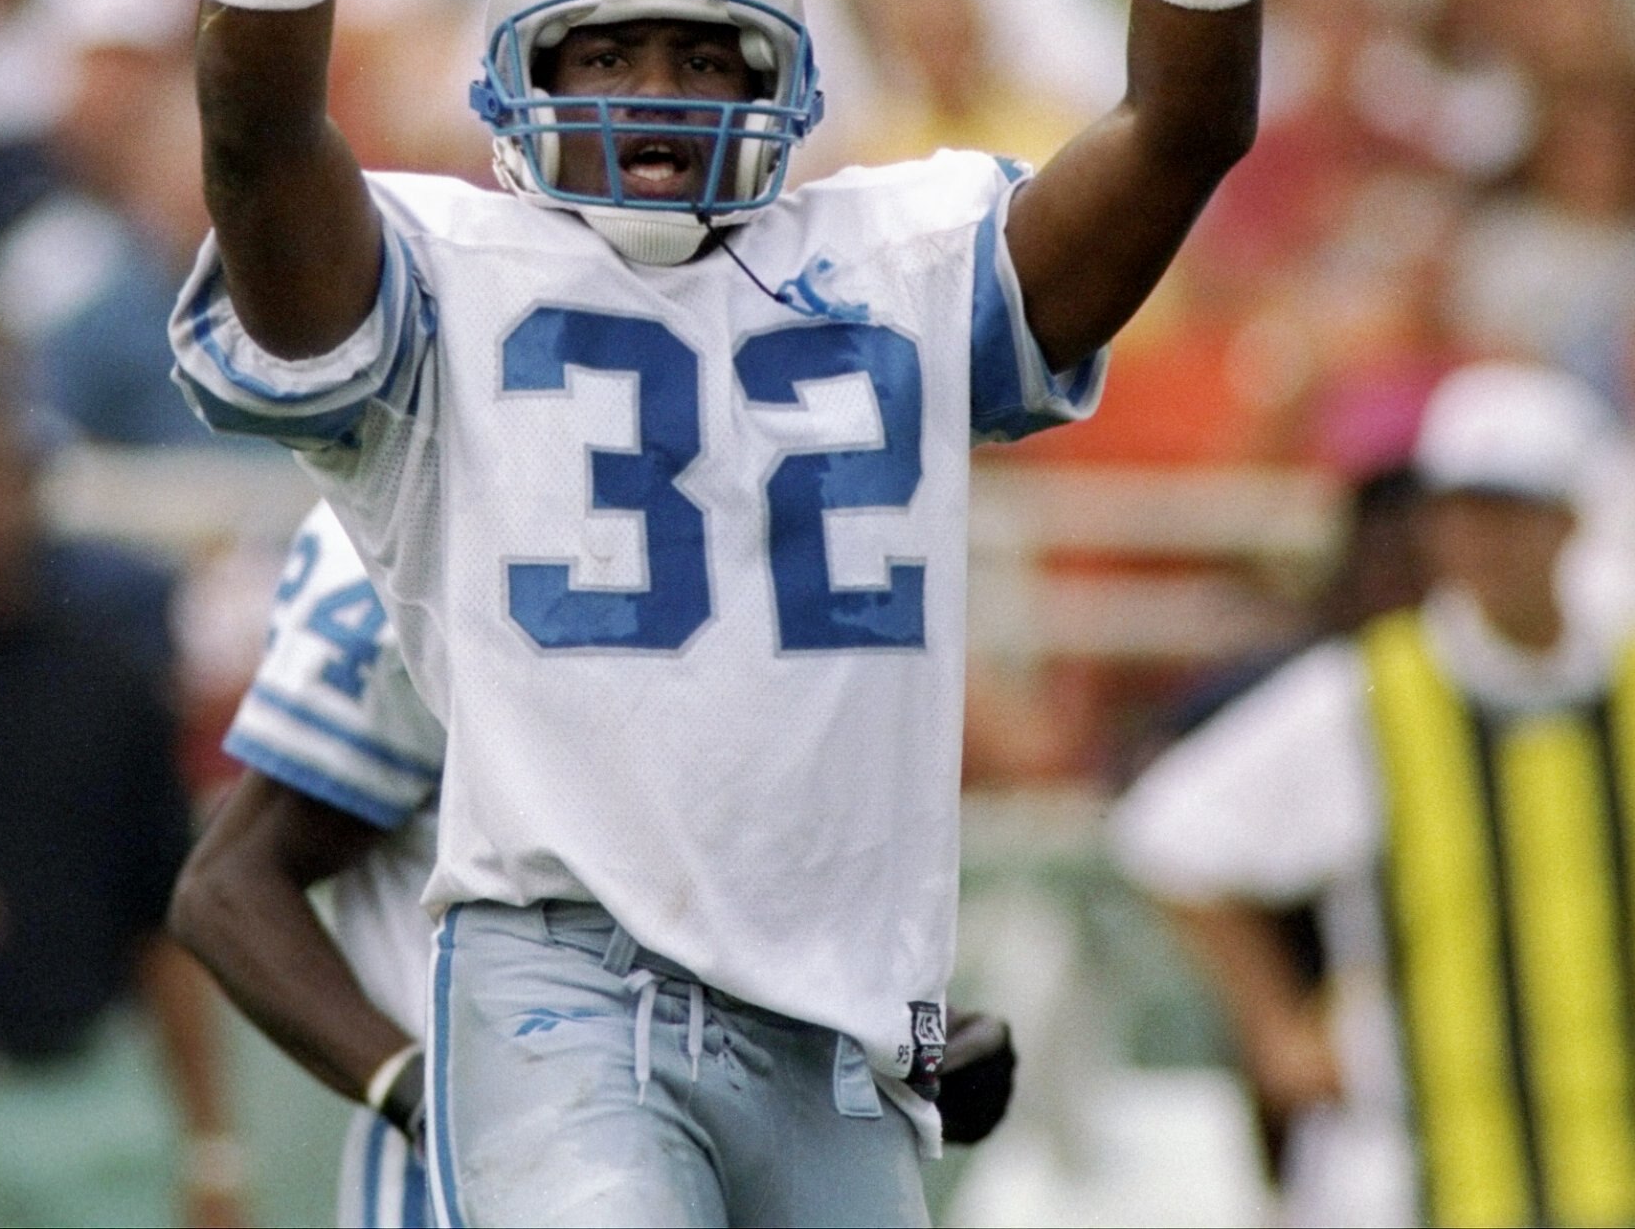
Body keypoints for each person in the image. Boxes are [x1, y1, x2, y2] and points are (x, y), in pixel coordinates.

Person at [171, 0, 1319, 1226]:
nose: (656, 91)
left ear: (785, 81)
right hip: (560, 985)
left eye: (704, 55)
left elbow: (1181, 131)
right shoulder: (444, 271)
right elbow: (259, 139)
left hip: (844, 1019)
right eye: (608, 51)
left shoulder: (902, 253)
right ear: (515, 78)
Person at [1113, 363, 1635, 1228]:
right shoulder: (1369, 692)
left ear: (1571, 521)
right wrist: (1278, 1030)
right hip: (1416, 1180)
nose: (1483, 540)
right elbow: (1167, 832)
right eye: (1462, 511)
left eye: (1513, 511)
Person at [170, 504, 1021, 1229]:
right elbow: (231, 886)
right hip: (506, 1177)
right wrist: (435, 1096)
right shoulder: (437, 503)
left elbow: (703, 862)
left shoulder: (740, 467)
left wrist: (893, 1031)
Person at [0, 353, 237, 1227]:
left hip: (82, 1097)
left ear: (33, 490)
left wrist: (212, 1150)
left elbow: (163, 924)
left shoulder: (110, 680)